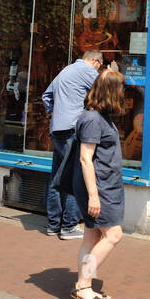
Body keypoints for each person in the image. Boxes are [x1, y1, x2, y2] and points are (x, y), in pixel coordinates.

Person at [72, 69, 127, 299]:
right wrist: (94, 196)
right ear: (111, 92)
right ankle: (83, 285)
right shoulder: (93, 119)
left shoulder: (98, 117)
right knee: (114, 235)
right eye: (121, 89)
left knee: (92, 236)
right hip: (100, 188)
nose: (123, 93)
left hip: (105, 185)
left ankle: (85, 287)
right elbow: (85, 158)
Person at [41, 49, 104, 239]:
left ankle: (53, 225)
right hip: (71, 130)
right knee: (75, 177)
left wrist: (57, 113)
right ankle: (68, 227)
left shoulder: (66, 70)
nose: (97, 70)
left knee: (56, 178)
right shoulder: (87, 70)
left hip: (57, 129)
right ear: (95, 61)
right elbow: (105, 91)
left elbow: (46, 96)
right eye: (99, 67)